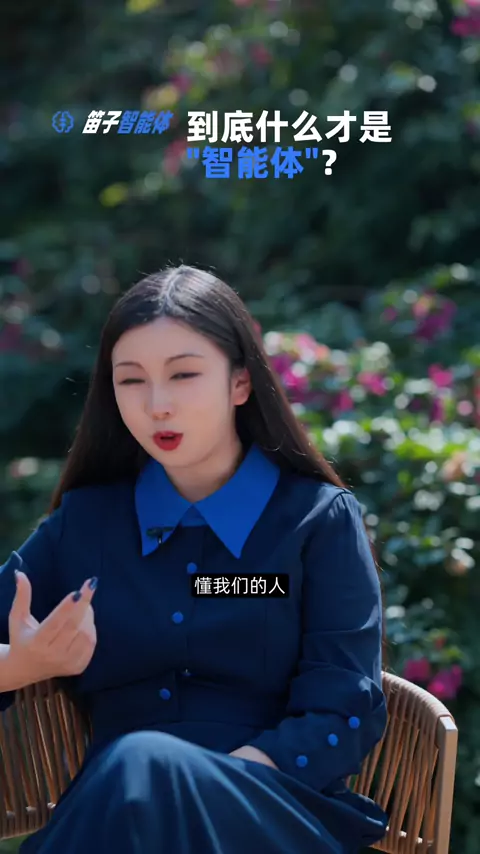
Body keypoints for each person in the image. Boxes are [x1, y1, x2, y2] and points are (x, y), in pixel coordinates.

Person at [0, 264, 388, 854]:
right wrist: (20, 666)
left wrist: (207, 788)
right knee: (136, 771)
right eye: (131, 381)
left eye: (183, 374)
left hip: (272, 810)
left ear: (240, 382)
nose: (157, 405)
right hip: (115, 817)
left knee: (144, 763)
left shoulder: (317, 522)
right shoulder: (86, 524)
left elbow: (344, 711)